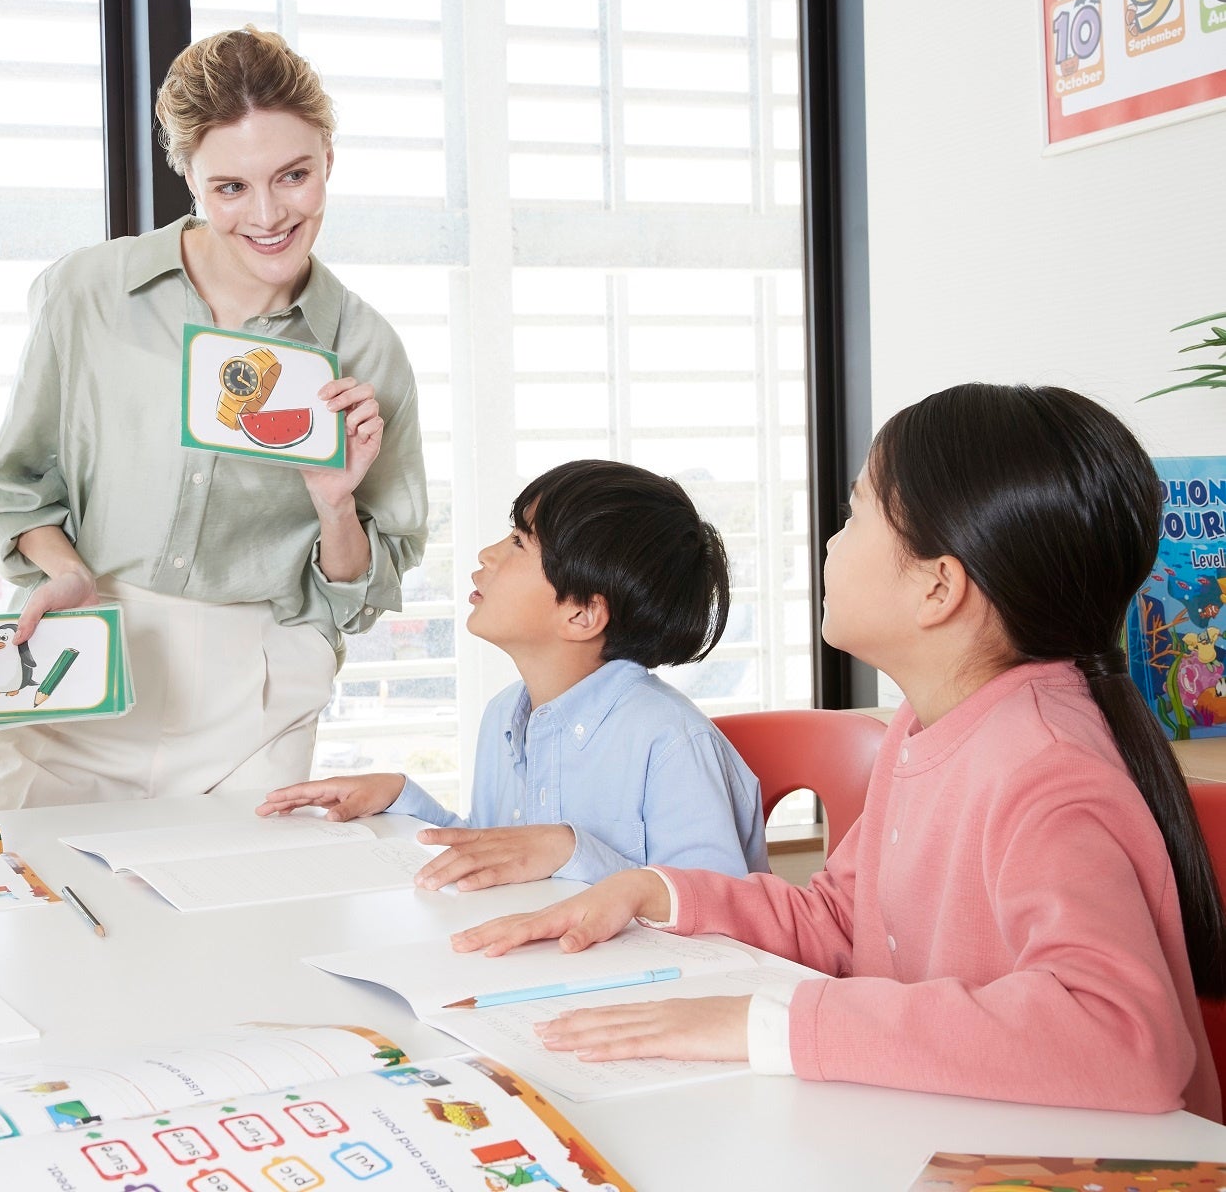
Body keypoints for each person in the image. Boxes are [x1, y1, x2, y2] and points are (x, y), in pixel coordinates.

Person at [453, 385, 1225, 1119]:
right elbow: (839, 918)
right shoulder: (928, 727)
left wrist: (775, 1024)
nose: (829, 539)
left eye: (855, 514)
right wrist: (656, 892)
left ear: (937, 588)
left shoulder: (1046, 766)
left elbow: (1119, 1036)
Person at [0, 25, 427, 809]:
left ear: (329, 162)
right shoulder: (88, 293)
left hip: (255, 695)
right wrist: (69, 572)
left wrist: (335, 504)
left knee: (244, 925)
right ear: (190, 179)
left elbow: (367, 585)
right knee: (33, 913)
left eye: (294, 176)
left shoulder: (365, 348)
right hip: (85, 661)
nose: (270, 214)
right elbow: (16, 491)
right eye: (231, 188)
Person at [259, 460, 767, 889]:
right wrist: (399, 796)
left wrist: (571, 850)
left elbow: (718, 916)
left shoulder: (672, 742)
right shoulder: (506, 713)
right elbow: (501, 850)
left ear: (582, 615)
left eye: (522, 542)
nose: (488, 554)